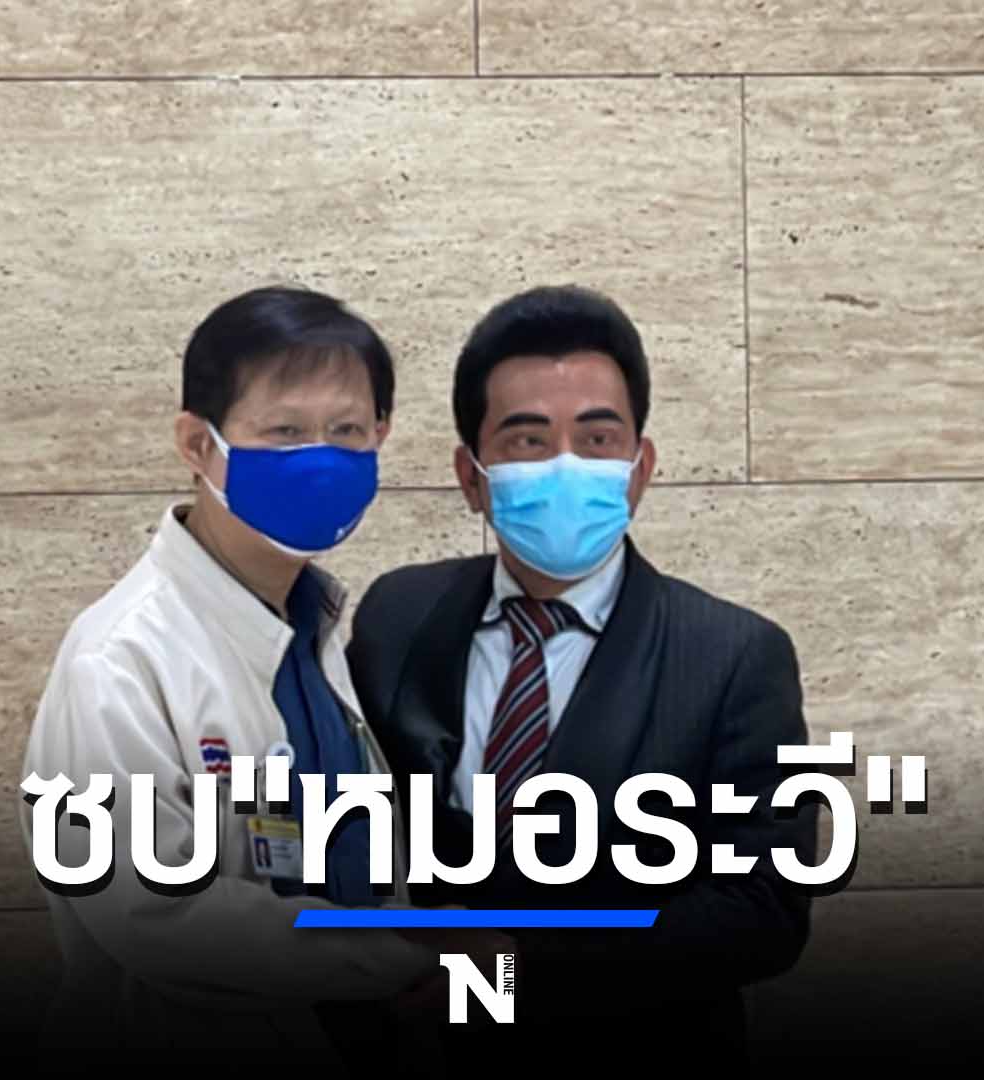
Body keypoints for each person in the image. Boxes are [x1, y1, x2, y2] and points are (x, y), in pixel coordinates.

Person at [19, 286, 504, 1067]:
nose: (320, 456)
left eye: (347, 431)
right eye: (284, 431)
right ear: (196, 443)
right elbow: (154, 917)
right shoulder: (123, 659)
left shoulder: (318, 632)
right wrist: (406, 956)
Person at [348, 285, 818, 1069]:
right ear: (472, 476)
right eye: (528, 440)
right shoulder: (398, 616)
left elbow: (763, 909)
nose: (566, 464)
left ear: (640, 469)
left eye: (598, 438)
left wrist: (517, 971)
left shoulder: (736, 656)